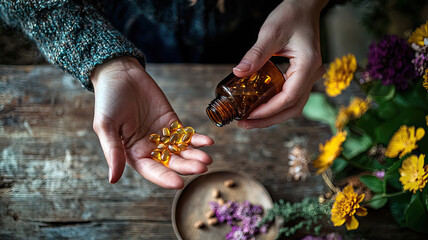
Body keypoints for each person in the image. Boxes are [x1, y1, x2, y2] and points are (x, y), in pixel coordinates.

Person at [0, 0, 327, 189]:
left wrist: (306, 4)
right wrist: (107, 63)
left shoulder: (227, 91)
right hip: (134, 19)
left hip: (264, 18)